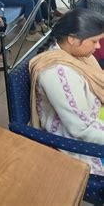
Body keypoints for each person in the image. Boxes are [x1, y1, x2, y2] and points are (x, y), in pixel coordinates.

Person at [29, 9, 104, 176]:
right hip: (74, 138)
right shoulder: (56, 72)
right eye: (94, 41)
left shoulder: (74, 54)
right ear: (72, 39)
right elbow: (81, 129)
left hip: (92, 113)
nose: (98, 46)